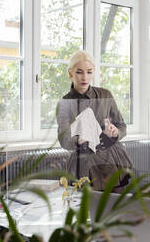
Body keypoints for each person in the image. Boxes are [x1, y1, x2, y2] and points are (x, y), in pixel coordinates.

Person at [56, 50, 133, 193]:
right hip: (85, 164)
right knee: (89, 210)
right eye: (79, 72)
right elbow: (63, 139)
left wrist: (115, 133)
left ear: (94, 72)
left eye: (89, 72)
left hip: (112, 160)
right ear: (70, 73)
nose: (85, 77)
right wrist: (78, 141)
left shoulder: (105, 94)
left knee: (117, 210)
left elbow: (122, 126)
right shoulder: (65, 103)